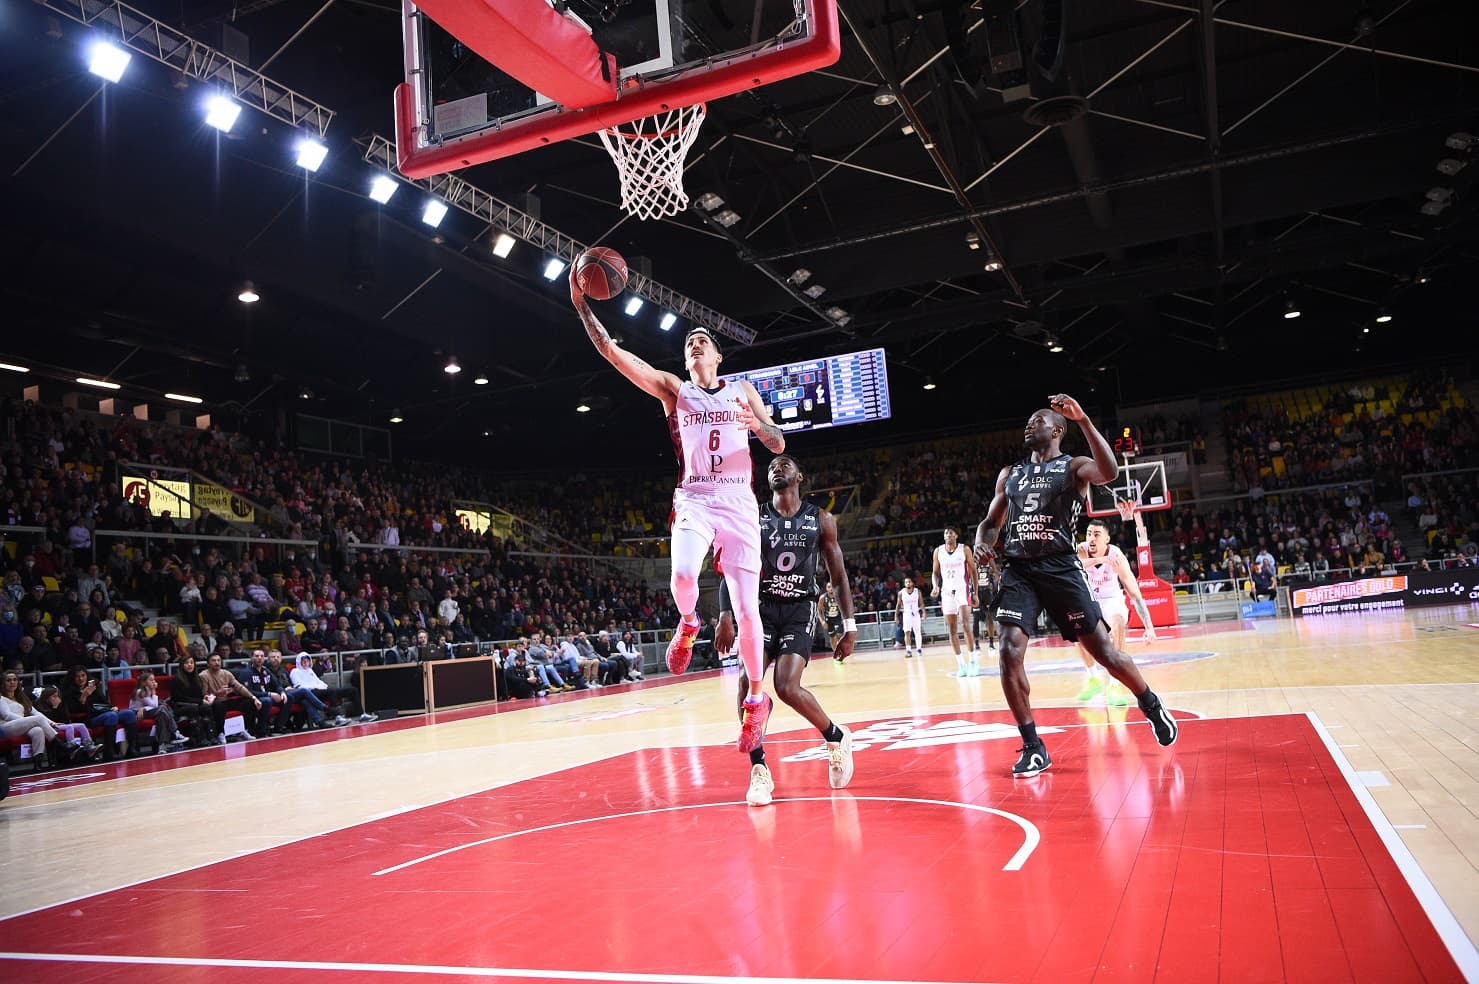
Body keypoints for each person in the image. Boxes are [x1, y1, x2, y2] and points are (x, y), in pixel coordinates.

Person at [573, 279, 785, 752]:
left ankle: (755, 699)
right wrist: (582, 306)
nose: (694, 344)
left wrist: (760, 426)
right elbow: (612, 353)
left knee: (749, 612)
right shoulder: (674, 390)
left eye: (702, 341)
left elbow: (778, 443)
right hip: (694, 498)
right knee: (684, 574)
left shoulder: (743, 390)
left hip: (739, 504)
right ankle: (689, 623)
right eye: (689, 343)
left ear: (717, 358)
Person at [974, 395, 1178, 778]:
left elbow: (1111, 471)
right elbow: (989, 523)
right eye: (1028, 421)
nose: (1028, 425)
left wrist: (1084, 419)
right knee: (1008, 649)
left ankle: (1150, 704)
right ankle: (1033, 746)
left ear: (1056, 430)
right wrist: (982, 545)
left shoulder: (1073, 467)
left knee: (1104, 652)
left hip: (1061, 567)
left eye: (1037, 421)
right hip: (1019, 569)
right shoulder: (1010, 474)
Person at [715, 455, 856, 806]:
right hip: (760, 608)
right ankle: (759, 768)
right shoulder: (753, 517)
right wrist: (724, 615)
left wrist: (849, 627)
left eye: (786, 464)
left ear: (799, 476)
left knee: (786, 686)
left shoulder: (820, 519)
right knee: (748, 682)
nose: (778, 467)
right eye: (772, 466)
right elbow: (731, 567)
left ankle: (835, 736)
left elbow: (838, 577)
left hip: (798, 609)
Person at [1074, 518, 1156, 706]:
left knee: (1118, 621)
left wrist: (1149, 627)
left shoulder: (1117, 556)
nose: (1091, 539)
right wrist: (1103, 560)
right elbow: (1079, 564)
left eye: (1096, 535)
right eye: (1088, 534)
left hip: (1112, 600)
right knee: (1075, 630)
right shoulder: (1081, 549)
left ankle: (1114, 684)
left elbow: (1134, 594)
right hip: (1090, 600)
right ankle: (1093, 678)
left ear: (1107, 540)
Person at [931, 527, 980, 676]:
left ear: (956, 536)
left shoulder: (964, 549)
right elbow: (935, 573)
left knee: (965, 624)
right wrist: (935, 586)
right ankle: (961, 665)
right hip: (946, 592)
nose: (948, 535)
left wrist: (975, 593)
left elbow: (973, 571)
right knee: (952, 629)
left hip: (962, 590)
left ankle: (973, 661)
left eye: (951, 533)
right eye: (946, 533)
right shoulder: (938, 551)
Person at [1, 670, 62, 769]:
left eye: (14, 680)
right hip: (5, 727)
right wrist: (27, 720)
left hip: (21, 726)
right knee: (36, 720)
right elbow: (6, 715)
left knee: (38, 730)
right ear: (3, 683)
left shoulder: (21, 697)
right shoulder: (1, 697)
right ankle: (59, 743)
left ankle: (38, 764)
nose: (12, 682)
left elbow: (36, 713)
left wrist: (51, 722)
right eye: (8, 680)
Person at [131, 670, 188, 750]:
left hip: (149, 711)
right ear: (143, 682)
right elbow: (154, 705)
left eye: (154, 680)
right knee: (162, 708)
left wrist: (144, 707)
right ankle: (175, 732)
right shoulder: (140, 691)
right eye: (151, 680)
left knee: (161, 715)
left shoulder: (147, 690)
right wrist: (154, 691)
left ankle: (162, 746)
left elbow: (153, 705)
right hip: (137, 714)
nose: (153, 682)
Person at [974, 557, 1001, 653]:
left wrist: (994, 575)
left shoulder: (990, 561)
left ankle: (991, 644)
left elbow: (996, 574)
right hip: (976, 593)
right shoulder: (973, 561)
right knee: (976, 618)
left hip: (987, 592)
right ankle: (976, 645)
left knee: (990, 617)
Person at [896, 576, 924, 658]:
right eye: (906, 582)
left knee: (917, 632)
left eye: (909, 582)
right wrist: (896, 616)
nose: (908, 583)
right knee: (907, 632)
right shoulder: (901, 593)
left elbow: (921, 603)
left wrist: (924, 613)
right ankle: (908, 650)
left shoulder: (917, 591)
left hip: (916, 613)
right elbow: (898, 605)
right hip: (906, 614)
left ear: (912, 583)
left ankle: (919, 649)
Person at [819, 582, 845, 652]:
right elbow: (818, 610)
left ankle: (839, 650)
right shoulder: (823, 598)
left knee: (839, 635)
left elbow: (844, 607)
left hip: (837, 618)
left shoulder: (838, 596)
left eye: (832, 587)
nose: (830, 589)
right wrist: (822, 621)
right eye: (829, 587)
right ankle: (835, 653)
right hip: (828, 619)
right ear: (826, 589)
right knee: (832, 637)